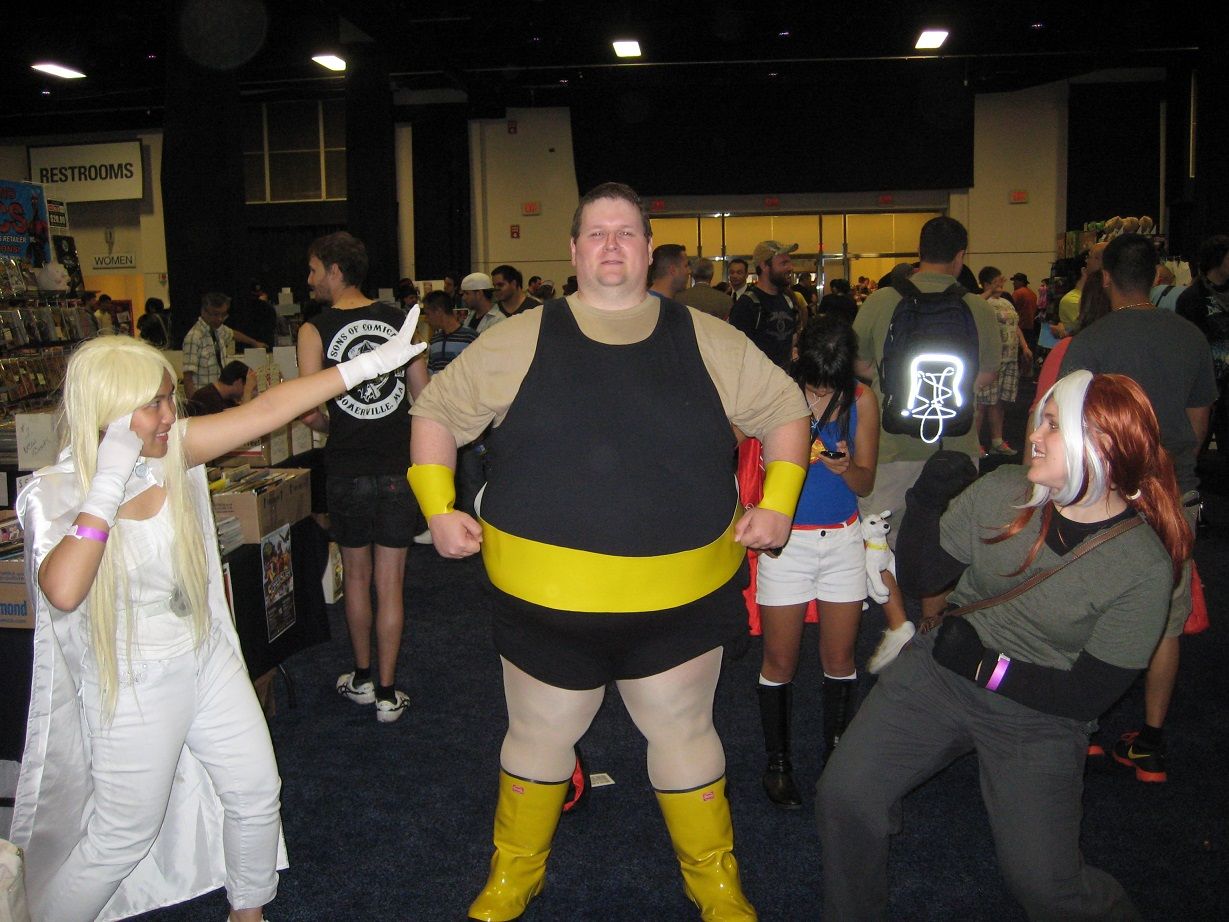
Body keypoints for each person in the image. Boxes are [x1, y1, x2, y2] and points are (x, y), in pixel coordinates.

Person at [408, 181, 809, 921]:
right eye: (597, 232)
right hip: (545, 602)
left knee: (684, 733)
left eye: (626, 232)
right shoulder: (518, 337)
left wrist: (779, 501)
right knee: (538, 736)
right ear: (573, 250)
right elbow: (436, 411)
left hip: (681, 599)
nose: (613, 244)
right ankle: (514, 873)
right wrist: (437, 507)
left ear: (648, 249)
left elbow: (786, 407)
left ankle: (715, 882)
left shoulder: (707, 337)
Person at [13, 319, 422, 922]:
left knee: (256, 791)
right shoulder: (57, 492)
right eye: (153, 403)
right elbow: (65, 591)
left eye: (168, 398)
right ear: (109, 411)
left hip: (204, 656)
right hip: (133, 681)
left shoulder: (172, 450)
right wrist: (107, 483)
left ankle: (247, 912)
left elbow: (268, 409)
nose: (169, 414)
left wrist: (363, 368)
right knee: (121, 837)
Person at [819, 370, 1193, 920]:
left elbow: (1086, 696)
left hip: (1040, 714)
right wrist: (925, 504)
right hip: (940, 676)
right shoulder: (1003, 492)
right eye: (1039, 420)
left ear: (1104, 444)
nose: (1032, 434)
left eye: (1052, 424)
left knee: (1045, 887)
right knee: (845, 796)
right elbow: (925, 578)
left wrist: (983, 667)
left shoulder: (1142, 567)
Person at [1060, 233, 1216, 781]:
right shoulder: (1190, 337)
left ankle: (1086, 731)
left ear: (1105, 278)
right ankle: (1150, 741)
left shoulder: (1091, 341)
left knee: (1089, 610)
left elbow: (1071, 426)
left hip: (1108, 494)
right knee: (1166, 620)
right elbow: (1198, 426)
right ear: (1156, 277)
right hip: (1174, 492)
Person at [753, 316, 908, 810]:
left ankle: (837, 760)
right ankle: (778, 763)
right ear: (798, 355)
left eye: (828, 383)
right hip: (786, 544)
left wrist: (845, 468)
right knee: (780, 660)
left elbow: (865, 482)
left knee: (840, 660)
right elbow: (732, 437)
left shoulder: (861, 399)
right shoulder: (776, 391)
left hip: (841, 540)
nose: (821, 390)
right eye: (814, 381)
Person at [297, 231, 419, 723]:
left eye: (313, 270)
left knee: (358, 577)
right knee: (391, 584)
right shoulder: (401, 320)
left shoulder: (314, 330)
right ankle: (388, 693)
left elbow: (309, 410)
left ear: (335, 270)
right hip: (397, 468)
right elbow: (422, 396)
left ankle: (363, 678)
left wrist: (337, 425)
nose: (309, 280)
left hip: (346, 469)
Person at [730, 240, 804, 370]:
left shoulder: (788, 300)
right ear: (764, 266)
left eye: (789, 262)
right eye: (784, 263)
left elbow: (792, 339)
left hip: (784, 377)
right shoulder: (747, 305)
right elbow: (737, 354)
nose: (790, 268)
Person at [185, 359, 256, 416]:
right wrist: (247, 392)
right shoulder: (207, 398)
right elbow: (241, 421)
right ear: (238, 382)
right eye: (246, 385)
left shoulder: (225, 397)